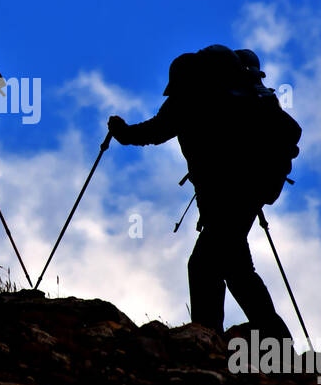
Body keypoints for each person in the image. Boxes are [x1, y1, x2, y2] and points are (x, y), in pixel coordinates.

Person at [107, 45, 294, 341]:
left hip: (225, 201)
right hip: (246, 195)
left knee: (204, 265)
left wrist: (122, 132)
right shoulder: (239, 98)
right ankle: (272, 338)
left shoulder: (190, 98)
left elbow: (153, 132)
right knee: (236, 269)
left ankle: (206, 337)